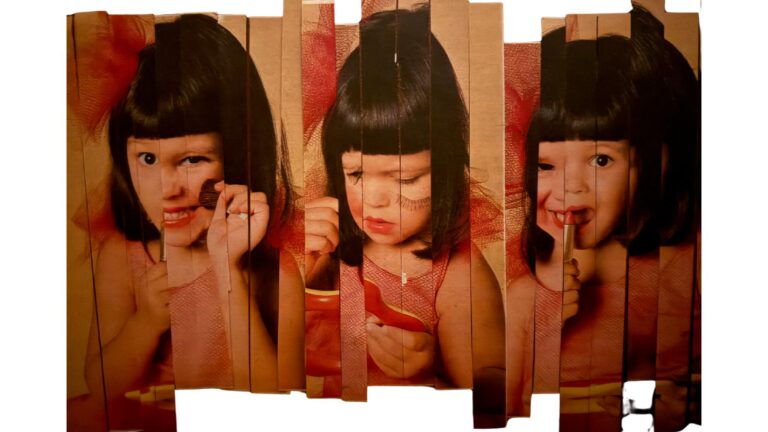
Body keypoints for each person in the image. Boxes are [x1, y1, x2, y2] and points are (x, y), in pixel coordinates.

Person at [83, 14, 304, 425]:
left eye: (191, 159)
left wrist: (228, 272)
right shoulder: (123, 258)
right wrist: (146, 323)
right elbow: (101, 385)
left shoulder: (276, 271)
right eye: (147, 159)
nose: (167, 188)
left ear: (238, 156)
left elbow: (278, 399)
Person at [506, 5, 700, 429]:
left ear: (656, 160)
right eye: (545, 165)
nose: (568, 188)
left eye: (600, 159)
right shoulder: (522, 288)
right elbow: (504, 408)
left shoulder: (692, 263)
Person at [304, 5, 505, 399]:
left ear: (446, 169)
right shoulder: (325, 248)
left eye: (406, 178)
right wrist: (304, 277)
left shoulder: (457, 273)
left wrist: (434, 370)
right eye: (357, 175)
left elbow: (493, 386)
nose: (375, 200)